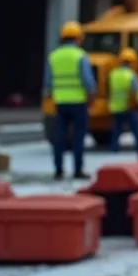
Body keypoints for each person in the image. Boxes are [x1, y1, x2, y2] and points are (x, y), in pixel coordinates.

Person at [44, 20, 96, 180]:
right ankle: (77, 170)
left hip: (60, 103)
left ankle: (58, 170)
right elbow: (88, 82)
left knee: (60, 138)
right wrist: (91, 98)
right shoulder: (80, 56)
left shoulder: (53, 56)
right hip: (78, 103)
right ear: (79, 38)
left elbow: (48, 83)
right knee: (78, 138)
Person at [108, 48, 138, 162]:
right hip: (129, 108)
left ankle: (114, 151)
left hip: (115, 108)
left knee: (116, 131)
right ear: (132, 62)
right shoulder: (131, 75)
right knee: (137, 132)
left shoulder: (113, 74)